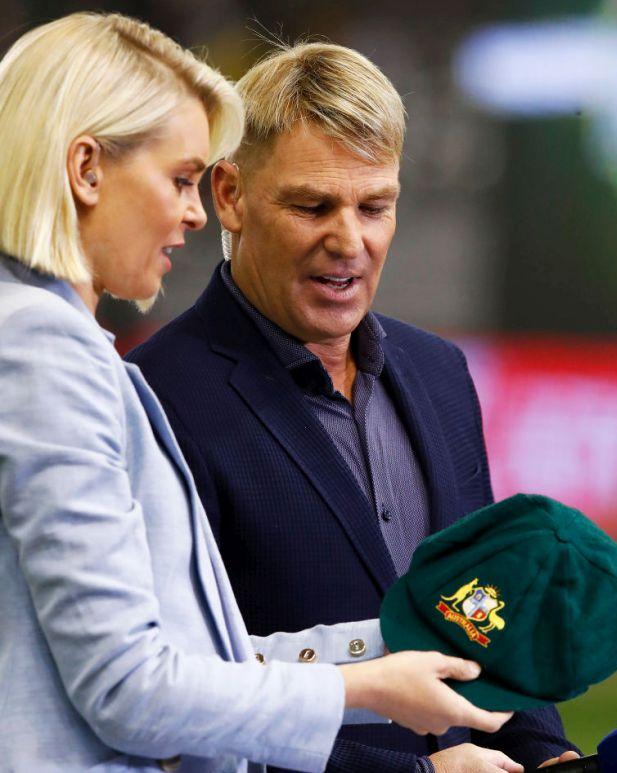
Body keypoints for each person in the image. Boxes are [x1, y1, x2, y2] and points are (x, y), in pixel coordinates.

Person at [0, 14, 518, 773]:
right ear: (85, 170)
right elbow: (130, 688)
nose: (193, 212)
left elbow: (191, 649)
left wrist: (385, 655)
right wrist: (367, 700)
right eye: (180, 179)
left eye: (375, 205)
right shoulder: (44, 346)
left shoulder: (54, 343)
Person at [127, 42, 581, 773]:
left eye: (375, 206)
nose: (349, 240)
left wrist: (546, 748)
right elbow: (175, 699)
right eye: (313, 205)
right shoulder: (154, 395)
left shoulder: (438, 372)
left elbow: (486, 603)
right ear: (230, 195)